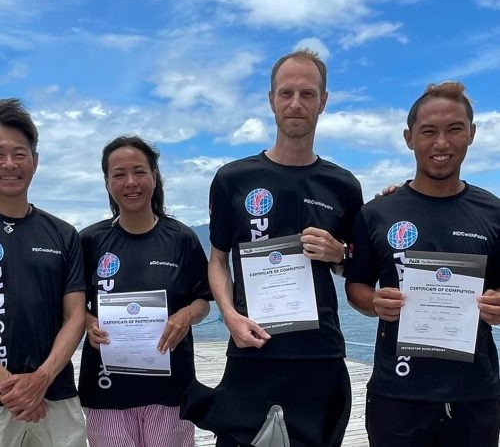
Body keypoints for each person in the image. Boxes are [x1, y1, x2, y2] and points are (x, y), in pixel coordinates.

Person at [182, 49, 363, 446]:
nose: (296, 103)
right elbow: (218, 260)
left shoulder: (344, 186)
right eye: (286, 93)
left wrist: (338, 253)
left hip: (320, 355)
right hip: (252, 349)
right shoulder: (233, 179)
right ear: (271, 100)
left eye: (307, 93)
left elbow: (357, 267)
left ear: (323, 101)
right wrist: (229, 316)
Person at [344, 82, 500, 446]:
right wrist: (373, 302)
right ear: (409, 138)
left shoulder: (493, 213)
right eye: (429, 131)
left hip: (474, 393)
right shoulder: (377, 213)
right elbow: (355, 285)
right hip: (397, 394)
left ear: (472, 134)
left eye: (454, 129)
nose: (441, 143)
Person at [78, 135, 212, 447]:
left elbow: (204, 299)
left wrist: (186, 315)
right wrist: (88, 322)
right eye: (119, 174)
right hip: (106, 387)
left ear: (154, 176)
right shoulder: (90, 240)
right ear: (107, 182)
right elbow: (71, 303)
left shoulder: (182, 238)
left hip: (171, 388)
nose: (130, 182)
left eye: (139, 171)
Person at [0, 99, 87, 446]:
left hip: (56, 394)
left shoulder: (63, 234)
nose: (9, 164)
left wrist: (41, 379)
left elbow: (75, 316)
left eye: (19, 154)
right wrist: (13, 390)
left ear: (34, 161)